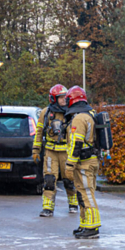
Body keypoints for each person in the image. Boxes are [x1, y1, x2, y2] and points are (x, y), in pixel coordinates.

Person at [32, 84, 79, 217]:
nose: (64, 100)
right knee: (49, 179)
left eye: (65, 97)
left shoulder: (71, 112)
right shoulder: (45, 113)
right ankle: (48, 207)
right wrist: (36, 150)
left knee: (70, 179)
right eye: (61, 97)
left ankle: (73, 204)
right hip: (50, 152)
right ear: (53, 99)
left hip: (67, 151)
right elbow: (39, 132)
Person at [64, 86, 101, 239]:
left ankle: (92, 227)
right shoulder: (90, 114)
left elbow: (76, 143)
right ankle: (85, 224)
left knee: (86, 193)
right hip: (91, 159)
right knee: (83, 193)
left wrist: (69, 165)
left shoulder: (79, 118)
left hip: (84, 162)